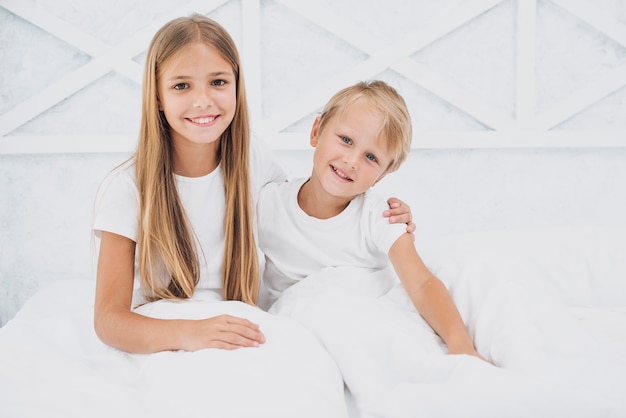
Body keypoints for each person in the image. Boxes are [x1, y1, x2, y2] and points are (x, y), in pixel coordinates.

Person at [92, 14, 414, 354]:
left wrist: (378, 216)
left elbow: (303, 216)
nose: (202, 100)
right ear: (156, 96)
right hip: (164, 328)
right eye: (181, 85)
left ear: (236, 85)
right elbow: (109, 320)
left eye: (218, 82)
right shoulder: (127, 187)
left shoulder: (250, 159)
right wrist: (192, 333)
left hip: (237, 323)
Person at [258, 80, 482, 360]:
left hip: (351, 330)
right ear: (316, 132)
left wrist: (459, 342)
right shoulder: (268, 204)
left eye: (371, 157)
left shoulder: (380, 217)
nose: (351, 161)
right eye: (346, 140)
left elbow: (421, 283)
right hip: (292, 335)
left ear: (382, 176)